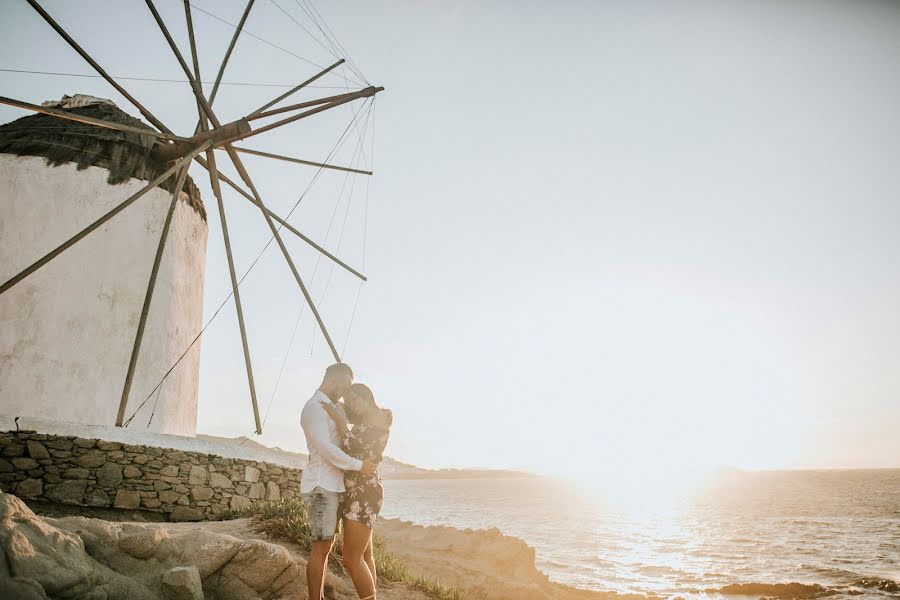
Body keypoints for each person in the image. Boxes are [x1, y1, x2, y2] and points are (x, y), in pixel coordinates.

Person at [300, 363, 376, 600]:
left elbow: (364, 414)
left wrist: (384, 414)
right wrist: (359, 466)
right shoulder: (313, 409)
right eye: (344, 386)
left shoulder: (334, 406)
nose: (346, 393)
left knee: (330, 548)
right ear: (332, 381)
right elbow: (326, 449)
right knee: (321, 548)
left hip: (335, 487)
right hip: (321, 486)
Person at [323, 383, 392, 600]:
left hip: (363, 492)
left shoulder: (378, 419)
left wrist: (340, 421)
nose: (353, 404)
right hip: (357, 490)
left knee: (351, 559)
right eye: (349, 401)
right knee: (365, 555)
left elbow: (350, 445)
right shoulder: (369, 419)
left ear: (367, 397)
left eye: (356, 399)